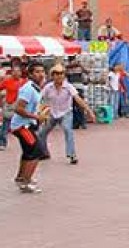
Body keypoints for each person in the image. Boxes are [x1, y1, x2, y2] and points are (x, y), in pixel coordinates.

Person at [39, 63, 96, 164]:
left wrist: (89, 111)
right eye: (56, 73)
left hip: (65, 113)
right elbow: (40, 98)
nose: (59, 75)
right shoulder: (48, 87)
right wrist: (39, 111)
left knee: (67, 130)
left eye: (61, 73)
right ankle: (44, 153)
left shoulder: (69, 87)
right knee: (42, 133)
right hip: (52, 113)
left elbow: (78, 99)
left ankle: (72, 155)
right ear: (52, 75)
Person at [9, 61, 49, 193]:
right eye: (37, 72)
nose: (40, 74)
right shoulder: (28, 89)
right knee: (37, 151)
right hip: (22, 126)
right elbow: (18, 108)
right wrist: (37, 117)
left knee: (28, 152)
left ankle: (21, 178)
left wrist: (40, 114)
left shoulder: (35, 87)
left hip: (27, 125)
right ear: (30, 74)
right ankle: (26, 183)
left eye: (42, 71)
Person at [0, 63, 25, 151]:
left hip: (19, 105)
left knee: (23, 125)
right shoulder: (7, 81)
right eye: (14, 71)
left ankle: (26, 142)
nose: (16, 73)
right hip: (9, 105)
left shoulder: (23, 82)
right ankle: (2, 142)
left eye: (18, 71)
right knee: (6, 124)